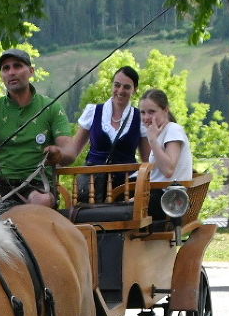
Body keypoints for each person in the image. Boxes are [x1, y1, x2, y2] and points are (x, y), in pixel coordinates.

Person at [0, 49, 76, 209]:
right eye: (6, 68)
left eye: (17, 66)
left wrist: (60, 154)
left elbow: (70, 153)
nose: (11, 72)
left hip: (38, 185)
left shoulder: (52, 107)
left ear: (31, 71)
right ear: (1, 76)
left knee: (42, 201)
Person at [68, 65, 151, 202]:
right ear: (112, 85)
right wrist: (55, 162)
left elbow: (147, 160)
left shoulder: (140, 118)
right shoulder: (93, 112)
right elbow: (73, 151)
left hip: (126, 190)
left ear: (135, 90)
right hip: (92, 190)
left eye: (126, 87)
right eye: (117, 85)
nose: (120, 91)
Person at [138, 88, 193, 220]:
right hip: (160, 195)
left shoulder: (173, 130)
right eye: (143, 112)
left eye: (152, 112)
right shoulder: (161, 133)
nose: (146, 117)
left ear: (165, 110)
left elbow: (168, 170)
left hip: (169, 200)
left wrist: (152, 140)